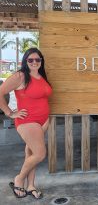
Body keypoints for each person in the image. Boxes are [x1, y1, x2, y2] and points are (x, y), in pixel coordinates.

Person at [0, 48, 52, 199]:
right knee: (40, 154)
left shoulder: (41, 75)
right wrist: (9, 112)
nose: (34, 62)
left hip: (43, 120)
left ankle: (30, 186)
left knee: (31, 153)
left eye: (38, 59)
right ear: (25, 61)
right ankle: (19, 178)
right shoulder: (20, 76)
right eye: (31, 60)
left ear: (41, 61)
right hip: (27, 121)